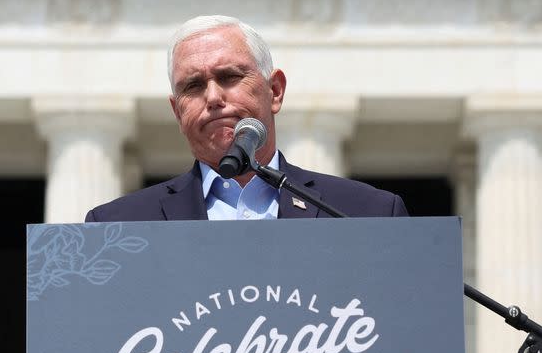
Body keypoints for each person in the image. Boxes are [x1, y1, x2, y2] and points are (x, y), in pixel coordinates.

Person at [85, 15, 408, 222]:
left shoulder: (368, 214)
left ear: (275, 91)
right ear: (177, 111)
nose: (213, 98)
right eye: (193, 86)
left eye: (229, 77)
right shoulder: (117, 227)